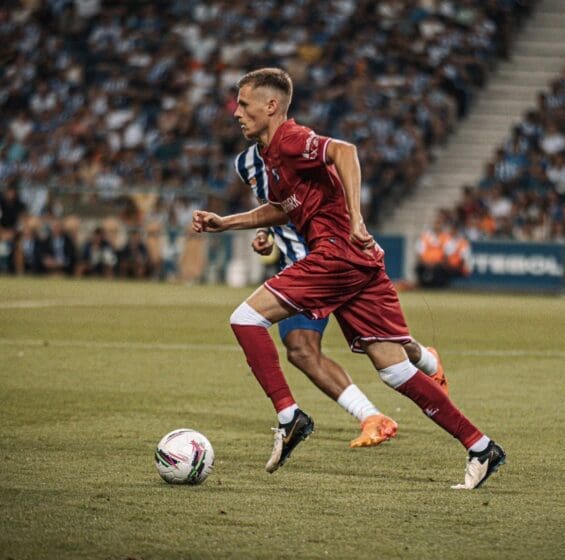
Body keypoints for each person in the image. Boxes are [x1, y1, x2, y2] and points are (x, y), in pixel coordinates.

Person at [193, 68, 505, 489]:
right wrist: (225, 222)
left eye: (244, 104)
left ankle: (289, 416)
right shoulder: (269, 155)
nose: (236, 112)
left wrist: (356, 217)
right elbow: (283, 208)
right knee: (395, 370)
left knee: (246, 319)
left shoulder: (290, 139)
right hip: (359, 262)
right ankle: (481, 447)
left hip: (335, 254)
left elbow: (345, 151)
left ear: (271, 106)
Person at [235, 142, 448, 448]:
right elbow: (275, 207)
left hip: (339, 262)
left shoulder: (300, 149)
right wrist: (264, 234)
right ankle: (371, 416)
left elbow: (331, 188)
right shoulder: (250, 166)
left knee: (384, 346)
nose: (239, 119)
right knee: (300, 349)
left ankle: (427, 360)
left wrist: (354, 221)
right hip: (301, 271)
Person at [416, 215, 472, 288]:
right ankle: (424, 285)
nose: (437, 226)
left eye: (439, 224)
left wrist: (439, 262)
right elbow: (419, 253)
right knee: (419, 268)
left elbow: (447, 254)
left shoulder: (446, 238)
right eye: (436, 223)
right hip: (426, 263)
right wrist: (427, 262)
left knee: (441, 270)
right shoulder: (425, 236)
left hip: (440, 264)